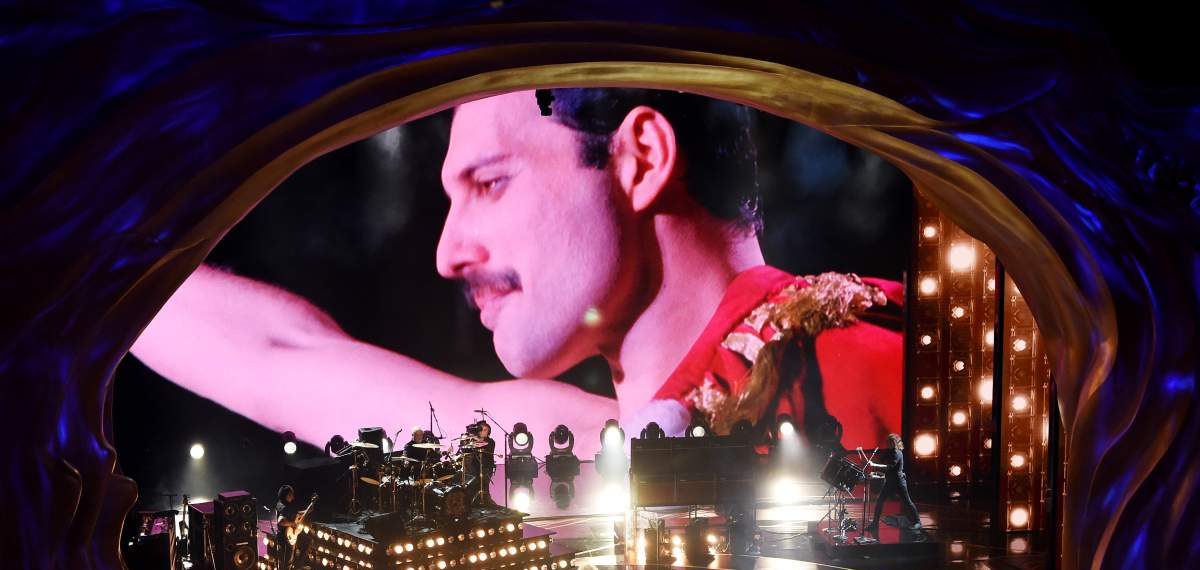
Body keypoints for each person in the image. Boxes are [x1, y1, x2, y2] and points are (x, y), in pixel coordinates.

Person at [131, 89, 902, 457]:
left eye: (491, 183)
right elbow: (279, 358)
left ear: (640, 160)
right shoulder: (601, 443)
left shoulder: (872, 368)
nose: (447, 253)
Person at [866, 433, 921, 539]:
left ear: (894, 443)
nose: (887, 444)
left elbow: (890, 467)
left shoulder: (897, 452)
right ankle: (875, 524)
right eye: (887, 442)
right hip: (890, 481)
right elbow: (881, 461)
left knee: (907, 502)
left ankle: (917, 522)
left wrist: (875, 465)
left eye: (889, 442)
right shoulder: (889, 452)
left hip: (899, 482)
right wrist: (871, 462)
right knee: (880, 501)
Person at [274, 485, 301, 570]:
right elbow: (281, 521)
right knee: (287, 564)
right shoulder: (285, 507)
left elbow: (293, 514)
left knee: (285, 563)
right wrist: (292, 524)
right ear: (286, 495)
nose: (293, 497)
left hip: (283, 537)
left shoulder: (280, 504)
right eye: (291, 495)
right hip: (286, 539)